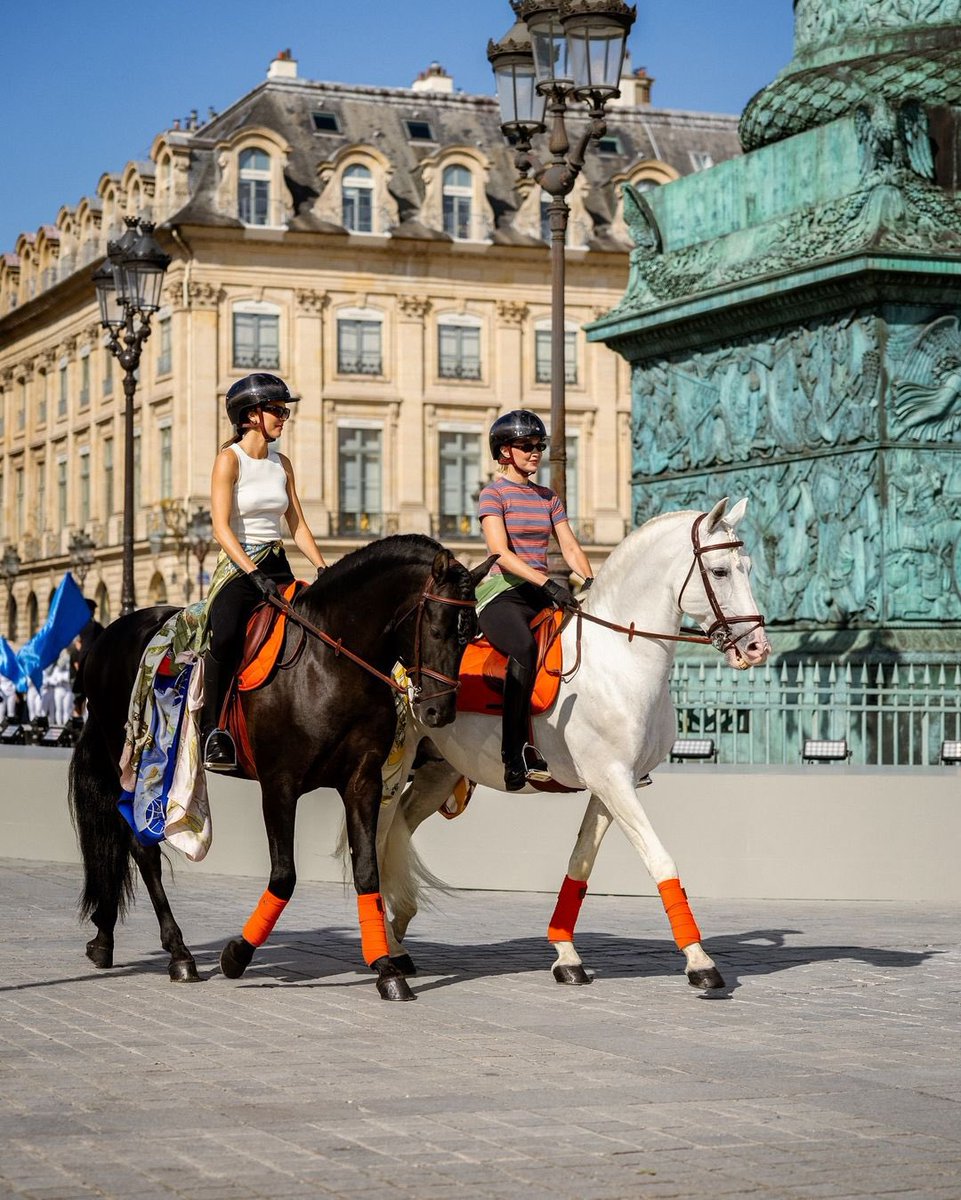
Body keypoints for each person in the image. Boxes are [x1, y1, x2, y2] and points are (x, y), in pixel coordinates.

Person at [201, 373, 327, 771]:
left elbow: (298, 525)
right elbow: (221, 527)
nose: (283, 417)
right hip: (240, 568)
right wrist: (251, 571)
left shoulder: (281, 464)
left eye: (284, 410)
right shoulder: (229, 459)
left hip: (278, 564)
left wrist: (323, 567)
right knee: (223, 636)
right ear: (251, 415)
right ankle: (213, 732)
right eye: (277, 409)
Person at [475, 410, 593, 791]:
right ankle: (515, 753)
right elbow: (500, 553)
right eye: (527, 446)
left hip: (540, 592)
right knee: (524, 649)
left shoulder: (547, 497)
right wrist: (548, 583)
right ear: (504, 451)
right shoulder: (493, 494)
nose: (535, 452)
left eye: (539, 446)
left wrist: (591, 583)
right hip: (502, 594)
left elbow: (570, 546)